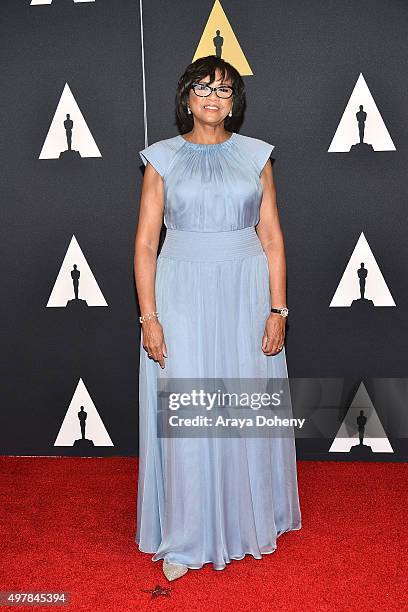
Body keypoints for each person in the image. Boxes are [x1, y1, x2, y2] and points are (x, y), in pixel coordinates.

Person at [134, 55, 301, 581]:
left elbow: (271, 237)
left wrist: (278, 310)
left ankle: (249, 518)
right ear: (186, 97)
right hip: (181, 286)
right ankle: (187, 532)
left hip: (244, 287)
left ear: (235, 101)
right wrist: (150, 318)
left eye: (224, 89)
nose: (213, 97)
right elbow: (144, 244)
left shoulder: (257, 156)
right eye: (203, 87)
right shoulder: (161, 158)